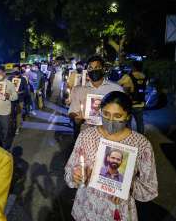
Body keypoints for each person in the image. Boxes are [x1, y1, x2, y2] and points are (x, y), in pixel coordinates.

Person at [64, 91, 158, 221]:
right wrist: (76, 174)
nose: (111, 120)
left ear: (128, 116)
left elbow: (149, 189)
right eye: (106, 114)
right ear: (100, 112)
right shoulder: (86, 136)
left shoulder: (141, 145)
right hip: (85, 210)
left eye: (118, 116)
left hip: (117, 212)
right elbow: (69, 171)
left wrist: (126, 187)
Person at [68, 55, 123, 138]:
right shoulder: (79, 90)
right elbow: (72, 110)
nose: (94, 70)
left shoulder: (117, 89)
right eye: (90, 68)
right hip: (86, 134)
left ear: (103, 69)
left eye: (97, 67)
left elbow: (123, 113)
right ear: (87, 70)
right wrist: (76, 118)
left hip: (110, 134)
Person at [118, 61, 147, 134]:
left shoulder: (128, 77)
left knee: (128, 123)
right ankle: (142, 137)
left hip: (130, 105)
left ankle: (128, 138)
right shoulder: (144, 76)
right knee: (140, 123)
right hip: (140, 104)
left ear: (133, 67)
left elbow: (119, 83)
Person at [8, 66, 28, 135]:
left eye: (16, 70)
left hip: (20, 99)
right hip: (11, 99)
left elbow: (26, 90)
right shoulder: (10, 78)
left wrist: (19, 92)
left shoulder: (23, 79)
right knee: (11, 113)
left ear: (19, 70)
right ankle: (11, 126)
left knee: (18, 114)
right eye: (14, 70)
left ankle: (17, 128)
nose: (15, 71)